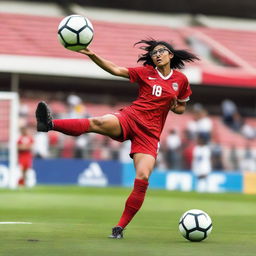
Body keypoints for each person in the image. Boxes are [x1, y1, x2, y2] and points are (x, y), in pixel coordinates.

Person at [35, 39, 199, 238]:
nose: (157, 54)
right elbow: (115, 69)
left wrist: (174, 106)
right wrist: (91, 54)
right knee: (99, 122)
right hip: (130, 118)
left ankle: (119, 228)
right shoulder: (145, 72)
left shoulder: (181, 80)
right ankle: (50, 124)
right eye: (154, 52)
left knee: (143, 177)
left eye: (161, 51)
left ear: (170, 55)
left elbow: (181, 108)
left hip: (149, 135)